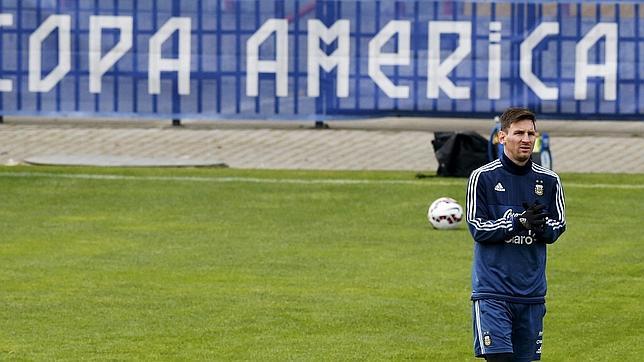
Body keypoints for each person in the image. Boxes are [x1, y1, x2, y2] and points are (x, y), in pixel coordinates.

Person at [465, 107, 566, 361]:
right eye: (518, 133)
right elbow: (478, 227)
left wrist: (540, 226)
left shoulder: (550, 181)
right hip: (493, 293)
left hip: (531, 295)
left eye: (531, 134)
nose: (525, 139)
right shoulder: (483, 178)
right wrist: (517, 222)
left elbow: (559, 225)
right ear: (502, 137)